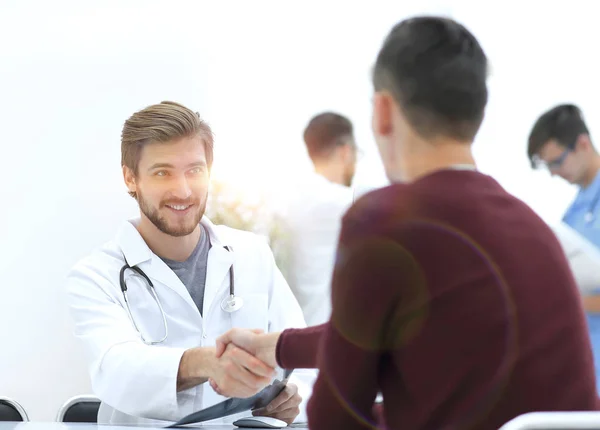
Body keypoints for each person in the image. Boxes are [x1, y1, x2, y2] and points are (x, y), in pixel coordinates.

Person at [214, 16, 600, 430]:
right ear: (477, 112)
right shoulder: (534, 228)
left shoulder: (383, 219)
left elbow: (335, 417)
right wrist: (276, 347)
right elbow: (379, 335)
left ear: (382, 111)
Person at [65, 101, 314, 426]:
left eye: (194, 170)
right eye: (162, 172)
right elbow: (116, 370)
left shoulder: (252, 253)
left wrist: (292, 394)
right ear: (130, 178)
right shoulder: (95, 276)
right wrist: (205, 363)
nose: (182, 190)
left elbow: (299, 355)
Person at [528, 104, 600, 391]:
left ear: (583, 144)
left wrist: (569, 302)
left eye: (557, 162)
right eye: (548, 166)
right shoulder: (571, 217)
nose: (554, 173)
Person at [277, 112, 357, 326]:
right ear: (345, 153)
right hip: (324, 334)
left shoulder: (290, 199)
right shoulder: (342, 202)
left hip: (290, 332)